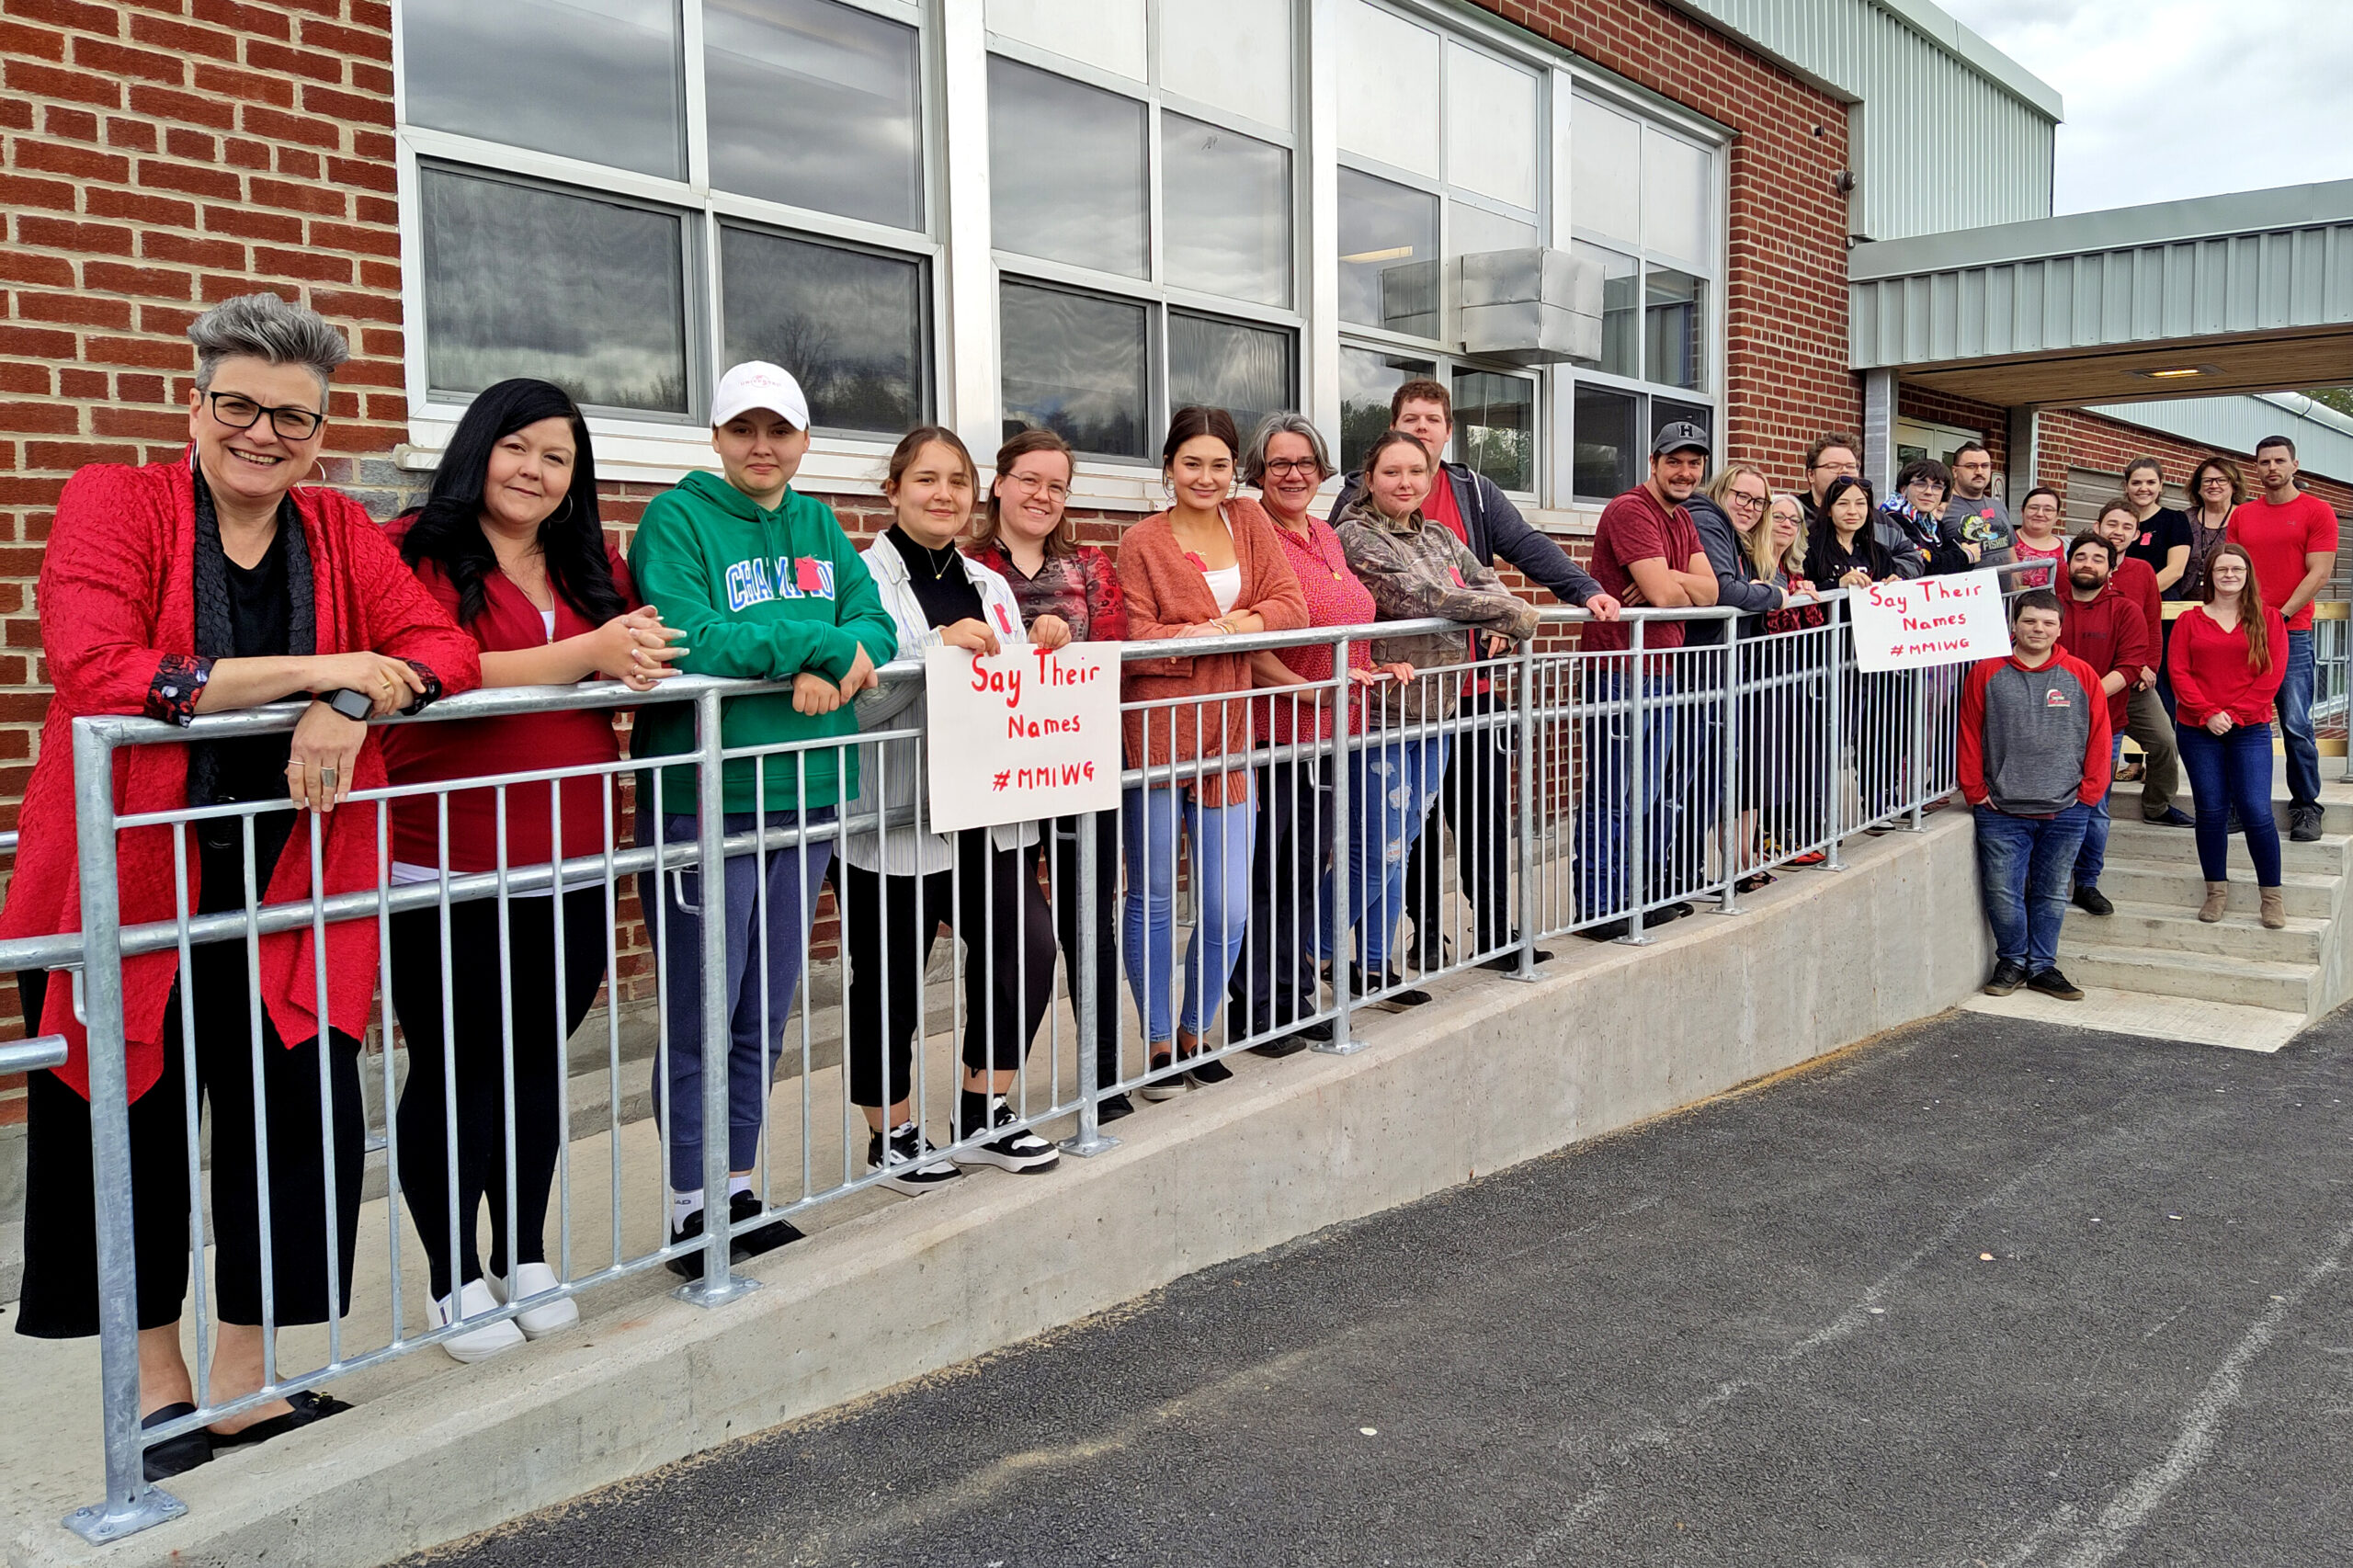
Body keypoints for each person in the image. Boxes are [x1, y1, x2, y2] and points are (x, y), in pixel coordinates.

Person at [2, 292, 481, 1478]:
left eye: (295, 418)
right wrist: (322, 665)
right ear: (198, 401)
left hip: (287, 892)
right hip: (123, 891)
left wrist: (356, 702)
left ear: (323, 431)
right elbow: (109, 672)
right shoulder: (118, 500)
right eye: (241, 406)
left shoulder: (333, 527)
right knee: (130, 1130)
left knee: (286, 1125)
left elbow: (441, 645)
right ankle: (159, 1386)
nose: (264, 434)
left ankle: (242, 1374)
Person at [383, 378, 683, 1361]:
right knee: (455, 1064)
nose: (534, 470)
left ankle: (521, 1249)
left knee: (530, 1062)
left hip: (574, 854)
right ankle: (450, 1274)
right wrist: (588, 651)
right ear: (477, 448)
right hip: (447, 858)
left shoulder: (591, 562)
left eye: (556, 457)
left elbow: (641, 650)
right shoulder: (407, 551)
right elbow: (431, 668)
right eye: (517, 447)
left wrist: (629, 656)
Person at [627, 362, 898, 1271]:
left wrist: (847, 643)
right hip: (706, 795)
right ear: (714, 435)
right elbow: (688, 634)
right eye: (742, 428)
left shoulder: (819, 520)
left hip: (806, 790)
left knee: (764, 1007)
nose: (760, 445)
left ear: (803, 439)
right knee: (703, 1008)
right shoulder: (676, 518)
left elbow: (878, 624)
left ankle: (737, 1184)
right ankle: (687, 1202)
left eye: (778, 429)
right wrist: (819, 644)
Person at [1330, 379, 1620, 970]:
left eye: (1431, 420)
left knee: (1482, 814)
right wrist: (1505, 612)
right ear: (1388, 434)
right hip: (1400, 695)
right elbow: (1399, 592)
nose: (1420, 430)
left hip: (1472, 690)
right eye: (1409, 419)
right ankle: (1416, 936)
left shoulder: (1472, 493)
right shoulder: (1354, 505)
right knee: (1405, 827)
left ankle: (1494, 931)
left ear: (1447, 432)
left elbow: (1523, 548)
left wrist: (1584, 589)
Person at [840, 426, 1063, 1181]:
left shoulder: (991, 585)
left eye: (957, 483)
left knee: (1025, 951)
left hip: (986, 812)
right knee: (890, 977)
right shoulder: (859, 580)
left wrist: (1043, 648)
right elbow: (852, 707)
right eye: (927, 480)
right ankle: (892, 1133)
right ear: (893, 489)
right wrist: (934, 650)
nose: (944, 496)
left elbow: (1007, 691)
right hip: (891, 816)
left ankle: (983, 1109)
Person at [1119, 406, 1308, 1097]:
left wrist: (1231, 626)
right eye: (1191, 463)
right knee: (1156, 896)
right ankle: (1161, 1042)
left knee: (1228, 904)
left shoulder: (1251, 522)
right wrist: (1213, 635)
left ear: (1236, 470)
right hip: (1159, 732)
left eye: (1220, 465)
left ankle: (1199, 1029)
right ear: (1169, 467)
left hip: (1228, 729)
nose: (1206, 477)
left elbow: (1292, 607)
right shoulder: (1141, 540)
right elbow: (1137, 637)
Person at [1332, 431, 1539, 996]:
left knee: (1400, 850)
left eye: (1416, 473)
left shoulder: (1444, 535)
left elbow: (1483, 581)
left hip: (1439, 709)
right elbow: (1422, 598)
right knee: (1378, 850)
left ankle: (1377, 966)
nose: (1405, 483)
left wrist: (1502, 609)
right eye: (1392, 472)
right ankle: (1317, 951)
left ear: (1430, 479)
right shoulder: (1354, 535)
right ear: (1369, 478)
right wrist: (1516, 613)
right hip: (1385, 714)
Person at [964, 427, 1133, 1117]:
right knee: (1006, 933)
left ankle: (1100, 1070)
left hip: (1077, 760)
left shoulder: (1091, 566)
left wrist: (1068, 642)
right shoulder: (967, 564)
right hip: (995, 771)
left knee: (1089, 921)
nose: (1042, 495)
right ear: (999, 483)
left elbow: (1115, 648)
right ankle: (989, 1086)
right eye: (1028, 479)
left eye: (1056, 485)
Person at [1226, 413, 1404, 1052]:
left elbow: (1347, 621)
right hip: (1277, 733)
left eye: (1305, 463)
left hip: (1336, 732)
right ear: (1258, 472)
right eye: (1279, 464)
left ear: (1324, 470)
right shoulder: (1248, 533)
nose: (1294, 474)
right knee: (1270, 873)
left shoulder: (1326, 535)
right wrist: (1298, 687)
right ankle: (1258, 1008)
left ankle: (1296, 996)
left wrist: (1375, 665)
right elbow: (1246, 636)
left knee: (1306, 869)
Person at [1576, 421, 1718, 939]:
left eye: (1694, 462)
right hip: (1621, 669)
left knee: (1649, 791)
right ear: (1653, 463)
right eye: (1674, 461)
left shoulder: (1681, 517)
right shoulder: (1631, 509)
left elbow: (1710, 593)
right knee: (1613, 794)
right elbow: (1665, 599)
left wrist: (1672, 579)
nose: (1685, 472)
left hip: (1662, 669)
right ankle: (1597, 906)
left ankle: (1635, 895)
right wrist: (1672, 585)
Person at [1959, 588, 2110, 1002]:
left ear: (2060, 628)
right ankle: (2012, 961)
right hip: (2001, 808)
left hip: (2067, 808)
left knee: (2051, 889)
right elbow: (1970, 733)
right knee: (2002, 890)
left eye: (2047, 623)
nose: (2038, 629)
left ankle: (2043, 966)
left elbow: (2100, 737)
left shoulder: (2081, 674)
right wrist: (1975, 790)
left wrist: (2089, 794)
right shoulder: (1986, 672)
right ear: (2014, 623)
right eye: (2030, 621)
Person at [2168, 543, 2289, 929]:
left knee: (2256, 810)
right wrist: (2207, 713)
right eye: (2222, 569)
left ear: (2248, 574)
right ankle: (2216, 892)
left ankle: (2271, 896)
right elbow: (2179, 672)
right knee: (2212, 811)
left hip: (2249, 728)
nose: (2229, 575)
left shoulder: (2268, 619)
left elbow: (2271, 675)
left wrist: (2233, 715)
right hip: (2197, 730)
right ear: (2210, 575)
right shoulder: (2190, 621)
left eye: (2237, 569)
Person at [2228, 435, 2340, 844]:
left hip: (2292, 635)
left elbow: (2319, 573)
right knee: (2242, 720)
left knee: (2295, 724)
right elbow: (2232, 570)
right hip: (2244, 634)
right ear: (2255, 468)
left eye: (2279, 461)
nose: (2271, 468)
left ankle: (2306, 807)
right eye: (2263, 462)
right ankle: (2242, 805)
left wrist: (2282, 615)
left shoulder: (2318, 511)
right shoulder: (2242, 516)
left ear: (2295, 464)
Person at [2055, 530, 2152, 919]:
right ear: (2069, 563)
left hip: (2104, 726)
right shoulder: (2053, 606)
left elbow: (2129, 667)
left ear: (2111, 568)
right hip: (2049, 725)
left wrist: (2083, 696)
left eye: (2097, 558)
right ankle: (2053, 878)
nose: (2087, 564)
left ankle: (2088, 882)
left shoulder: (2125, 610)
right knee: (2050, 803)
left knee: (2095, 807)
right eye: (2080, 557)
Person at [1733, 495, 1826, 877]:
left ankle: (1754, 852)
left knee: (1779, 765)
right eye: (1780, 517)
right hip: (1752, 680)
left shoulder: (1789, 571)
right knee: (1752, 770)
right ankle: (1740, 858)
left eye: (1795, 519)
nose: (1788, 524)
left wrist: (1803, 595)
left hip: (1784, 680)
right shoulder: (1749, 566)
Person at [2091, 497, 2188, 828]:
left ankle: (2157, 805)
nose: (2118, 532)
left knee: (2164, 742)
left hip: (2133, 681)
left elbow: (2152, 623)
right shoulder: (2079, 567)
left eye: (2127, 527)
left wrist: (2149, 666)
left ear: (2136, 535)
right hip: (2090, 681)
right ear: (2098, 527)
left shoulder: (2143, 571)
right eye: (2112, 524)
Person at [1802, 433, 1923, 578]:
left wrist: (1883, 577)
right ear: (1811, 475)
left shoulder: (1880, 521)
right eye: (1833, 466)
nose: (1844, 471)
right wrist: (1836, 581)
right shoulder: (1792, 515)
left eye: (1850, 466)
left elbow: (1913, 557)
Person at [1882, 459, 1973, 574]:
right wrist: (1967, 555)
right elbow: (1922, 563)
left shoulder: (1935, 525)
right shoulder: (1894, 519)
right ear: (1903, 489)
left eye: (1937, 487)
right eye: (1920, 484)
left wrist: (1960, 557)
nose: (1929, 492)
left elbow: (1959, 562)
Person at [2121, 457, 2192, 594]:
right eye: (2136, 483)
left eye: (2151, 482)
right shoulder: (2116, 521)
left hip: (2161, 600)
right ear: (2126, 486)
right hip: (2117, 599)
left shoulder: (2175, 520)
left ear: (2160, 486)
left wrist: (2137, 594)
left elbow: (2176, 570)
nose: (2143, 488)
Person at [2177, 456, 2245, 603]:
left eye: (2221, 480)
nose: (2214, 485)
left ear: (2233, 486)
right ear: (2198, 488)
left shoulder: (2245, 518)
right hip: (2183, 604)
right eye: (2207, 481)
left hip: (2232, 604)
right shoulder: (2185, 518)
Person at [1944, 441, 2017, 569]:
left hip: (2003, 589)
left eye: (1985, 466)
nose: (1979, 471)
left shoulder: (1999, 506)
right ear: (1955, 471)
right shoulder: (1941, 508)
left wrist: (2016, 585)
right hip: (1965, 588)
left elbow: (2011, 552)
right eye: (1971, 466)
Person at [2010, 487, 2067, 588]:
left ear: (2057, 516)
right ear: (2022, 511)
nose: (2040, 514)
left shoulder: (2069, 547)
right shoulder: (2007, 543)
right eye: (2033, 508)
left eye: (2048, 510)